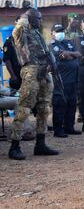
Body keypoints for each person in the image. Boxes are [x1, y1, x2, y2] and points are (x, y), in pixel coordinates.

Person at [8, 8, 59, 160]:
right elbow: (19, 27)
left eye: (41, 18)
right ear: (29, 18)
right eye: (37, 18)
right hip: (30, 70)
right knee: (24, 108)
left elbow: (45, 51)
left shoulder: (37, 33)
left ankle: (40, 144)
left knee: (44, 108)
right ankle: (15, 146)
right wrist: (26, 15)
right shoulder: (20, 33)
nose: (40, 21)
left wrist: (52, 64)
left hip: (44, 71)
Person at [50, 24, 82, 137]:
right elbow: (63, 56)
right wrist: (71, 55)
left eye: (62, 31)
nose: (60, 33)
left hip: (73, 79)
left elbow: (78, 54)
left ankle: (69, 127)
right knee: (60, 105)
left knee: (72, 104)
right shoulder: (52, 46)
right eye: (57, 31)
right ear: (52, 33)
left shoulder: (68, 43)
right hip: (61, 80)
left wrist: (69, 53)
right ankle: (58, 130)